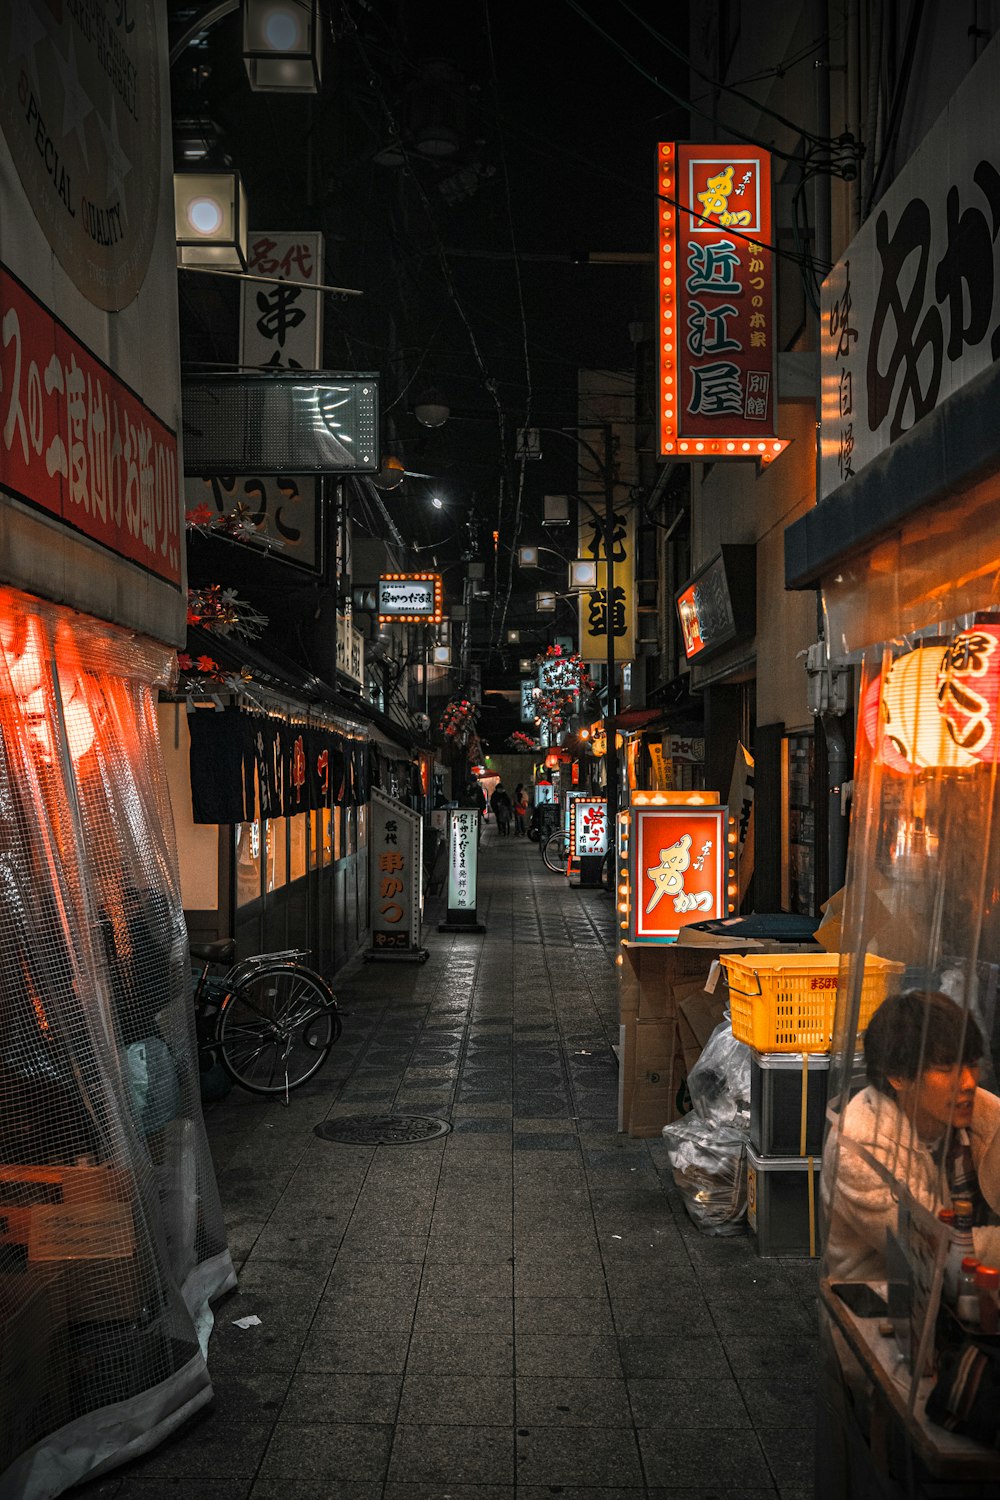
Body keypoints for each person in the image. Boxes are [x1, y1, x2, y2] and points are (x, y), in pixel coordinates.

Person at [823, 988, 1000, 1281]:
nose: (968, 1083)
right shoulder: (859, 1145)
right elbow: (932, 1249)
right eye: (946, 1069)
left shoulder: (984, 1112)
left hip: (970, 1289)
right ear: (898, 1076)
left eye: (971, 1064)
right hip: (879, 1301)